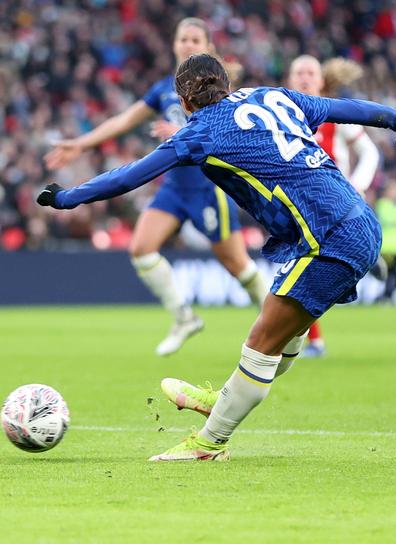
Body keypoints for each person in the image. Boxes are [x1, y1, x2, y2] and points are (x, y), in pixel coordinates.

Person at [38, 53, 396, 460]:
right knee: (285, 335)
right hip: (358, 222)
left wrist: (67, 197)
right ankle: (225, 399)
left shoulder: (200, 131)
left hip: (328, 237)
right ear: (226, 83)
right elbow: (346, 109)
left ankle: (209, 443)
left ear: (184, 102)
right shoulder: (273, 96)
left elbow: (130, 175)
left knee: (261, 342)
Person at [45, 18, 269, 356]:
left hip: (209, 188)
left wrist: (178, 134)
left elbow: (224, 133)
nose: (188, 45)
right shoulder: (165, 89)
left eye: (195, 39)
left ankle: (277, 323)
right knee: (141, 248)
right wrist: (82, 143)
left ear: (209, 47)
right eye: (183, 38)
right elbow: (123, 120)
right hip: (174, 188)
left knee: (238, 266)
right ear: (174, 44)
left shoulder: (221, 92)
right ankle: (184, 318)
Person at [285, 55, 382, 356]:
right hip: (296, 205)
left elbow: (370, 153)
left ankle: (304, 341)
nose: (304, 77)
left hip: (333, 207)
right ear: (289, 80)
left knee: (300, 269)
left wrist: (358, 185)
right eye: (298, 72)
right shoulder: (280, 114)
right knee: (298, 271)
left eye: (310, 72)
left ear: (321, 81)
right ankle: (308, 340)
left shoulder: (332, 113)